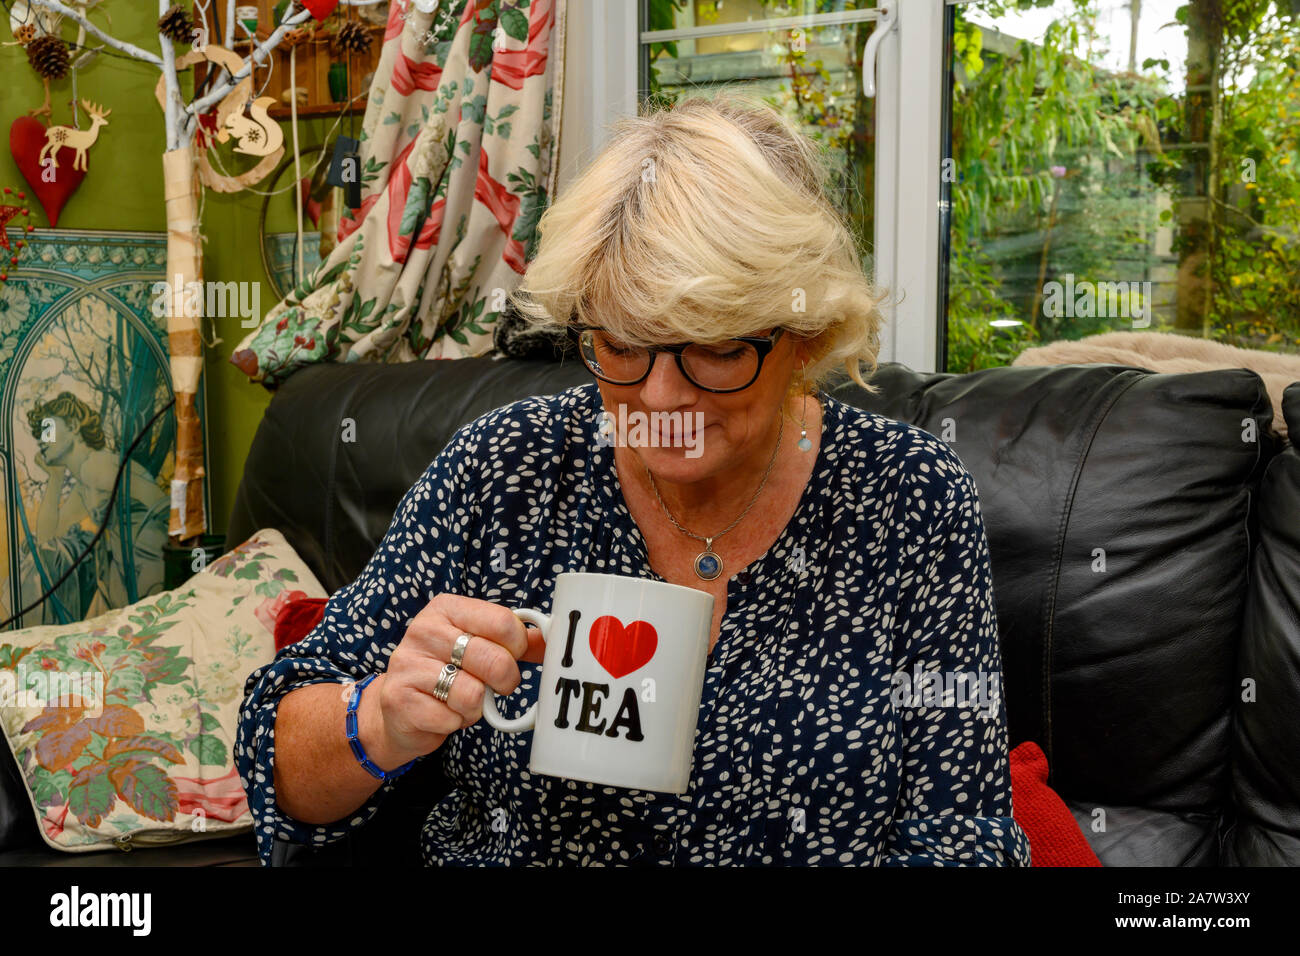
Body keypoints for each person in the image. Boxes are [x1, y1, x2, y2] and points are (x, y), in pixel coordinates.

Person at [235, 92, 1030, 867]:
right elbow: (280, 766)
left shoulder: (905, 495)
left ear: (805, 335)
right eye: (621, 345)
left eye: (713, 348)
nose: (658, 398)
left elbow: (964, 836)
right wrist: (377, 720)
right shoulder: (506, 467)